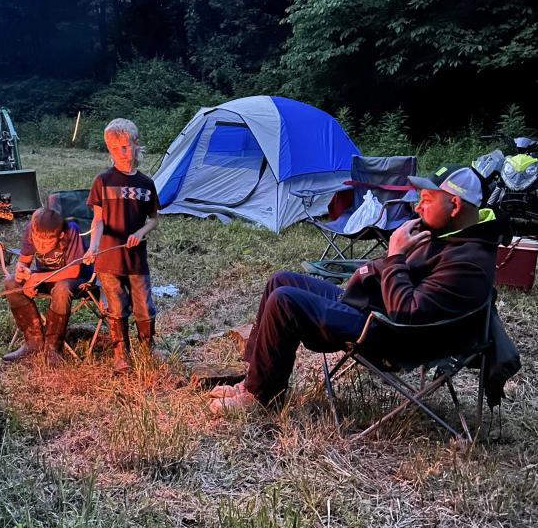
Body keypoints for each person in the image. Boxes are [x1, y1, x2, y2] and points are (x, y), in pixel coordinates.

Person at [209, 163, 506, 414]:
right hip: (375, 305)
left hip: (393, 333)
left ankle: (261, 399)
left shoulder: (468, 261)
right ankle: (253, 380)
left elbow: (408, 314)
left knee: (285, 301)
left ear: (454, 205)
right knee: (282, 279)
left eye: (427, 199)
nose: (417, 206)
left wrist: (396, 256)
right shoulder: (450, 235)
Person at [83, 118, 160, 373]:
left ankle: (147, 351)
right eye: (116, 149)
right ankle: (121, 355)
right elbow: (99, 221)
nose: (122, 154)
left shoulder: (146, 184)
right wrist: (93, 246)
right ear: (110, 150)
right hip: (108, 259)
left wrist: (139, 232)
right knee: (116, 306)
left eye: (126, 147)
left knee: (144, 306)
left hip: (136, 258)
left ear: (136, 145)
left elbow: (154, 220)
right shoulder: (102, 181)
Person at [2, 207, 86, 365]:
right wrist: (22, 272)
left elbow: (74, 271)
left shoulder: (70, 230)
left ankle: (53, 348)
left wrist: (36, 278)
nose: (40, 245)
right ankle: (33, 342)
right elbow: (24, 260)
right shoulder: (32, 228)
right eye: (37, 240)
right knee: (11, 282)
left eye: (47, 242)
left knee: (61, 289)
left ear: (60, 236)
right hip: (44, 276)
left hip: (72, 279)